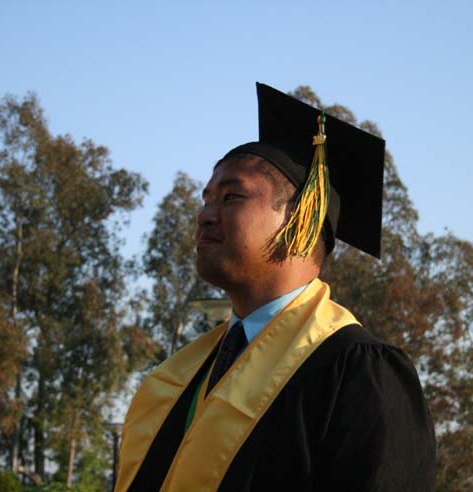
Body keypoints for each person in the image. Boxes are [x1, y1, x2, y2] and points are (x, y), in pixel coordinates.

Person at [115, 83, 436, 491]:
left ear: (301, 217)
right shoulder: (182, 374)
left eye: (231, 197)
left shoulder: (355, 373)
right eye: (206, 198)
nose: (204, 215)